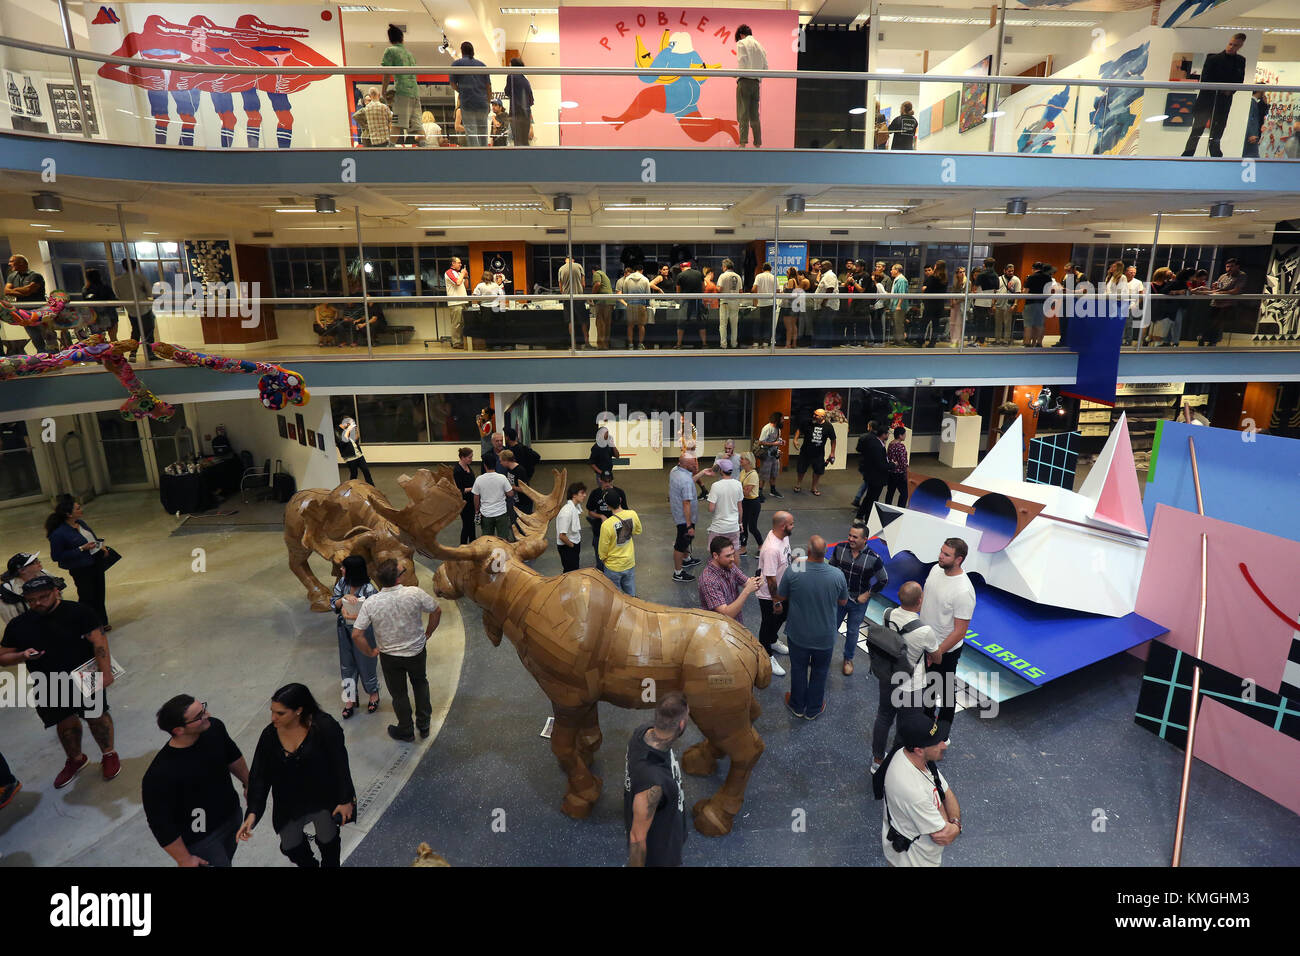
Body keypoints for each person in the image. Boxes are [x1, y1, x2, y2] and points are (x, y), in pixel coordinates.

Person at [0, 574, 119, 789]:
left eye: (43, 597)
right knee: (64, 724)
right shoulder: (19, 624)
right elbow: (3, 656)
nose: (38, 603)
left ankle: (108, 754)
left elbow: (99, 641)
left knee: (97, 716)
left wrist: (105, 672)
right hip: (48, 680)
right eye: (31, 600)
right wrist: (22, 656)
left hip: (85, 673)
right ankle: (76, 759)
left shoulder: (79, 612)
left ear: (56, 592)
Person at [238, 684, 356, 867]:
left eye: (280, 713)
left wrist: (346, 800)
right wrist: (253, 813)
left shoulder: (324, 727)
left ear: (299, 710)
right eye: (272, 711)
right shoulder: (269, 736)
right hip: (289, 802)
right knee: (291, 845)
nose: (273, 718)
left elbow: (340, 765)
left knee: (328, 840)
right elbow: (260, 776)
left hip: (321, 796)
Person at [143, 695, 250, 866]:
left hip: (231, 816)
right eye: (199, 716)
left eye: (204, 709)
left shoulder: (214, 728)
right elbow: (160, 823)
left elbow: (232, 755)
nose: (207, 715)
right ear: (179, 730)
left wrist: (248, 783)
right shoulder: (160, 774)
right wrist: (183, 858)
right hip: (202, 838)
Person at [351, 559, 441, 742]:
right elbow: (436, 610)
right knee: (420, 684)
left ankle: (406, 729)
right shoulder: (414, 593)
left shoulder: (371, 603)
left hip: (389, 656)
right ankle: (423, 724)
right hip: (416, 651)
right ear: (398, 579)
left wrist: (369, 652)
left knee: (399, 694)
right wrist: (428, 632)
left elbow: (356, 635)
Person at [870, 582, 940, 770]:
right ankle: (897, 762)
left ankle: (877, 761)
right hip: (912, 686)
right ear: (919, 601)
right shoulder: (925, 631)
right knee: (906, 724)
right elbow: (937, 657)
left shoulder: (887, 614)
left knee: (883, 717)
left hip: (888, 677)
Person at [777, 535, 848, 719]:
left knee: (798, 669)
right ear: (826, 552)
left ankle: (797, 705)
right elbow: (843, 601)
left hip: (798, 634)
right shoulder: (837, 575)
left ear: (808, 552)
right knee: (820, 671)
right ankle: (814, 708)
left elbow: (781, 596)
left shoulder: (794, 571)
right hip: (825, 637)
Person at [879, 709, 960, 867]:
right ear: (919, 750)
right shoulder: (912, 791)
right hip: (913, 861)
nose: (944, 744)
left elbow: (947, 792)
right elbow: (943, 834)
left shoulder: (915, 758)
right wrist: (955, 827)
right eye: (937, 742)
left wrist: (955, 822)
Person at [624, 691, 689, 867]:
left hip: (668, 821)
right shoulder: (653, 785)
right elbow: (637, 838)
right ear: (681, 724)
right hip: (659, 853)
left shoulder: (642, 732)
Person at [921, 538, 976, 725]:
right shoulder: (936, 569)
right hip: (926, 644)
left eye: (946, 554)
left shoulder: (963, 590)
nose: (940, 556)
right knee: (927, 688)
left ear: (959, 559)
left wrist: (937, 652)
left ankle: (942, 735)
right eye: (941, 551)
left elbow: (960, 631)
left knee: (945, 694)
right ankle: (926, 726)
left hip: (945, 652)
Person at [828, 521, 888, 676]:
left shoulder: (874, 558)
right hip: (839, 598)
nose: (850, 539)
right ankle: (824, 655)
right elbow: (831, 569)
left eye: (855, 537)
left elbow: (883, 579)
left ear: (865, 539)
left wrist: (867, 594)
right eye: (849, 535)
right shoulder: (840, 549)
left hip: (858, 602)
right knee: (831, 627)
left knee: (853, 631)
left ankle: (848, 659)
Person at [46, 495, 110, 630]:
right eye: (78, 508)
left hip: (95, 563)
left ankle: (101, 622)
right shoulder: (58, 534)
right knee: (87, 596)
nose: (81, 510)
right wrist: (81, 549)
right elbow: (57, 556)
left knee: (99, 593)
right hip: (81, 568)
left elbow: (92, 538)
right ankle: (86, 624)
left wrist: (100, 546)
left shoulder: (82, 524)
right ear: (69, 514)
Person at [330, 555, 380, 720]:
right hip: (343, 631)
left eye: (344, 568)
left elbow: (376, 612)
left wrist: (356, 614)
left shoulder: (369, 589)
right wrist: (344, 599)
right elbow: (333, 602)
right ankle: (350, 699)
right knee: (347, 665)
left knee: (366, 664)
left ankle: (373, 694)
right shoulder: (342, 583)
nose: (341, 570)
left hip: (363, 633)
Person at [1181, 33, 1247, 158]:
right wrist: (1221, 88)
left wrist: (1230, 90)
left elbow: (1239, 80)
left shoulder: (1240, 61)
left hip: (1224, 101)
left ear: (1240, 46)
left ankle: (1215, 155)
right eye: (1230, 44)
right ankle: (1188, 154)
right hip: (1207, 99)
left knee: (1218, 130)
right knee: (1197, 129)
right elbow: (1205, 78)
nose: (1231, 47)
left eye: (1235, 45)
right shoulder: (1213, 58)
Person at [756, 511, 793, 677]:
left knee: (783, 616)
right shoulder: (771, 549)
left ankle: (772, 639)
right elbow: (770, 579)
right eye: (791, 524)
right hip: (770, 594)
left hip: (783, 588)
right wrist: (776, 601)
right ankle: (766, 654)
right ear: (782, 526)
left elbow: (789, 558)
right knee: (768, 622)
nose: (793, 526)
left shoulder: (783, 536)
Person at [698, 535, 759, 623]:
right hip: (719, 629)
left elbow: (747, 582)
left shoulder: (729, 565)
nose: (733, 559)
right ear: (715, 555)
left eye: (733, 554)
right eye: (728, 556)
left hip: (735, 623)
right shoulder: (708, 581)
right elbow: (726, 614)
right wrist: (747, 591)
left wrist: (757, 582)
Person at [378, 25, 421, 145]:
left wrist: (384, 90)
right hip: (415, 93)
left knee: (396, 123)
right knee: (417, 124)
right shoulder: (409, 54)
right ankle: (426, 147)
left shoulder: (390, 51)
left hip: (402, 91)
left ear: (390, 39)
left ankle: (390, 150)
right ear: (402, 38)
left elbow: (386, 72)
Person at [5, 253, 52, 353]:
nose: (9, 264)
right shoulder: (12, 276)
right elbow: (7, 291)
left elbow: (28, 291)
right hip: (24, 312)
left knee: (48, 335)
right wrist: (23, 291)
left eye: (12, 261)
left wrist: (15, 290)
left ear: (21, 263)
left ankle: (55, 356)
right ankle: (42, 356)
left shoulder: (35, 276)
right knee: (35, 337)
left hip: (40, 311)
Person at [2, 551, 64, 625]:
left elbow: (59, 596)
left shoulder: (44, 573)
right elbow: (13, 622)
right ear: (22, 570)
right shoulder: (7, 592)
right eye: (34, 562)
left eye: (37, 560)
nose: (39, 562)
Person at [598, 490, 642, 595]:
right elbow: (638, 531)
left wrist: (603, 559)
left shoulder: (606, 525)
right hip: (629, 562)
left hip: (613, 566)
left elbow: (602, 549)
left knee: (614, 596)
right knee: (630, 593)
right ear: (620, 500)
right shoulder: (632, 514)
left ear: (608, 506)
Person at [451, 41, 491, 146]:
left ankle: (476, 154)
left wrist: (462, 90)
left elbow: (453, 84)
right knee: (483, 130)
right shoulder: (482, 65)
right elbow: (488, 87)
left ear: (462, 51)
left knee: (471, 130)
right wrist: (488, 102)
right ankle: (484, 153)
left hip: (467, 101)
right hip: (482, 102)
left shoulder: (456, 64)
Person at [668, 454, 701, 583]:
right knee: (681, 544)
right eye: (694, 464)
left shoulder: (675, 470)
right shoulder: (686, 481)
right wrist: (689, 526)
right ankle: (678, 573)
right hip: (684, 518)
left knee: (686, 541)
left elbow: (689, 480)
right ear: (686, 465)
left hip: (677, 513)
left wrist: (702, 473)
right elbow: (686, 503)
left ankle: (686, 559)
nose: (696, 466)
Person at [733, 23, 767, 148]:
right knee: (754, 115)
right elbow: (766, 67)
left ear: (741, 35)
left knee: (743, 113)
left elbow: (742, 62)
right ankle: (757, 143)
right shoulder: (761, 46)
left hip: (744, 81)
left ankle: (742, 143)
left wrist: (736, 74)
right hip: (756, 83)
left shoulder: (741, 43)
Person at [473, 450, 515, 541]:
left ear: (485, 465)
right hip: (501, 513)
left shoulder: (479, 479)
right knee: (503, 539)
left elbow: (476, 497)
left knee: (487, 540)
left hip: (486, 513)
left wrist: (477, 510)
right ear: (495, 464)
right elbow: (510, 493)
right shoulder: (502, 478)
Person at [792, 407, 836, 496]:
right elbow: (799, 429)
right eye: (814, 414)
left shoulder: (828, 426)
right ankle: (798, 484)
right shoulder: (808, 422)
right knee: (801, 469)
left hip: (818, 453)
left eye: (816, 415)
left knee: (818, 471)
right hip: (805, 451)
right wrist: (795, 440)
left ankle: (814, 487)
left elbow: (833, 439)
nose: (814, 416)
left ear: (822, 417)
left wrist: (832, 453)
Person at [705, 458, 743, 557]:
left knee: (716, 554)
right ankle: (734, 572)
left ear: (721, 471)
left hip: (719, 527)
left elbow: (711, 509)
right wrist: (740, 523)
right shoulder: (738, 484)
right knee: (735, 554)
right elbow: (740, 508)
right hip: (733, 526)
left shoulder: (716, 486)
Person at [1204, 258, 1246, 346]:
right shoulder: (1223, 276)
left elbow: (1236, 291)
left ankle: (1213, 342)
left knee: (1219, 323)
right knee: (1210, 322)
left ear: (1237, 266)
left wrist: (1221, 293)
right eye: (1227, 267)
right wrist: (1214, 287)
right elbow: (1216, 289)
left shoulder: (1241, 275)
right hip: (1215, 303)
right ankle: (1206, 339)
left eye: (1231, 266)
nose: (1229, 269)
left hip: (1227, 305)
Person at [853, 420, 890, 517]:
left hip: (868, 469)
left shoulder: (866, 438)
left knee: (868, 492)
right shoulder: (877, 446)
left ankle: (860, 512)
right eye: (888, 433)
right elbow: (880, 464)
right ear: (884, 434)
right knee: (871, 497)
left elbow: (859, 449)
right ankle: (867, 517)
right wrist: (892, 465)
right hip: (876, 476)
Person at [556, 481, 588, 572]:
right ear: (574, 495)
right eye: (582, 493)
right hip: (568, 546)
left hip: (573, 542)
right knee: (570, 572)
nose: (585, 495)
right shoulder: (566, 512)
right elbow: (562, 536)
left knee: (575, 569)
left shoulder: (574, 508)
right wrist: (572, 546)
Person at [619, 263, 652, 349]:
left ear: (634, 270)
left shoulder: (627, 279)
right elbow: (648, 294)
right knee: (641, 325)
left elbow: (625, 293)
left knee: (630, 325)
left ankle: (630, 344)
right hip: (641, 305)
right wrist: (647, 304)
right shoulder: (645, 279)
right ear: (642, 270)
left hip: (630, 305)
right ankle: (640, 344)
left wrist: (628, 301)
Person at [557, 256, 588, 348]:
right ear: (573, 260)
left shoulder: (561, 269)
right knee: (583, 321)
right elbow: (583, 284)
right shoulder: (578, 266)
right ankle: (586, 343)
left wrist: (564, 293)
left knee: (570, 321)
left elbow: (560, 286)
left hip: (567, 298)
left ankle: (573, 344)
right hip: (578, 297)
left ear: (565, 261)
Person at [80, 268, 119, 339]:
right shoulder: (106, 287)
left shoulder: (86, 290)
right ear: (99, 276)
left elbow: (86, 305)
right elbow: (113, 301)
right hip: (110, 316)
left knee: (98, 341)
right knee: (114, 339)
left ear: (87, 278)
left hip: (95, 318)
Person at [504, 57, 534, 146]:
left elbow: (507, 91)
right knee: (524, 141)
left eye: (509, 66)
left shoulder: (511, 76)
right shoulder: (526, 81)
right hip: (526, 114)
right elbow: (531, 100)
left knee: (517, 141)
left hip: (516, 113)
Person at [336, 417, 374, 484]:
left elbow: (355, 441)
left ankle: (372, 488)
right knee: (354, 474)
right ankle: (352, 488)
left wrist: (356, 432)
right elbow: (342, 443)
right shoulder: (339, 432)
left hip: (359, 455)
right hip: (350, 457)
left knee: (366, 471)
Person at [451, 447, 477, 544]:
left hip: (471, 500)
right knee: (467, 525)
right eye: (469, 457)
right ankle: (463, 545)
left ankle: (473, 543)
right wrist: (473, 488)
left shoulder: (467, 466)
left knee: (471, 524)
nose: (471, 459)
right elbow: (459, 490)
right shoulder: (457, 471)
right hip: (464, 502)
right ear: (462, 457)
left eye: (471, 457)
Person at [1022, 262, 1052, 348]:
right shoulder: (1048, 278)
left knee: (1028, 324)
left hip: (1031, 303)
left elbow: (1026, 292)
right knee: (1040, 324)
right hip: (1042, 303)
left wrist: (1023, 292)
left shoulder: (1031, 277)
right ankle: (1038, 343)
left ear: (1033, 268)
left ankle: (1027, 343)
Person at [737, 453, 763, 553]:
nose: (740, 460)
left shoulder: (753, 475)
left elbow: (746, 491)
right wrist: (740, 488)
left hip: (753, 503)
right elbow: (742, 489)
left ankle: (761, 545)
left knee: (752, 527)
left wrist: (738, 488)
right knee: (742, 526)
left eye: (742, 459)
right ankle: (743, 548)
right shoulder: (743, 471)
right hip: (744, 502)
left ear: (748, 461)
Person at [971, 258, 999, 347]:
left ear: (984, 265)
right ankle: (979, 340)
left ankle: (980, 341)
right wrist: (993, 303)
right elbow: (996, 289)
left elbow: (975, 288)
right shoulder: (995, 275)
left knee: (979, 322)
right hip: (989, 301)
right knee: (983, 322)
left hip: (979, 300)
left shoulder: (981, 274)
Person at [715, 258, 743, 348]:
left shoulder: (722, 276)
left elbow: (719, 289)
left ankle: (724, 345)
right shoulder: (738, 276)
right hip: (735, 302)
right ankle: (734, 344)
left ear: (725, 266)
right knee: (734, 325)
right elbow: (741, 291)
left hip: (725, 302)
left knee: (723, 324)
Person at [813, 258, 840, 348]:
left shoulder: (830, 275)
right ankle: (825, 344)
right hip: (825, 304)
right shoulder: (825, 275)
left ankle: (823, 344)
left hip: (828, 305)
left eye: (823, 265)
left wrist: (824, 301)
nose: (820, 266)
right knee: (824, 324)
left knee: (824, 325)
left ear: (829, 266)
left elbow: (830, 289)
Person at [919, 259, 947, 348]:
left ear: (936, 267)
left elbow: (928, 290)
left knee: (924, 323)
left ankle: (920, 341)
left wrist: (924, 289)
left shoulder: (933, 278)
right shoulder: (945, 279)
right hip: (939, 304)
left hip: (930, 304)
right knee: (936, 324)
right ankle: (932, 343)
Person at [757, 410, 784, 498]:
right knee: (764, 474)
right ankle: (759, 492)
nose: (783, 420)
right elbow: (760, 442)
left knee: (774, 473)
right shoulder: (767, 428)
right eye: (782, 419)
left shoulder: (778, 429)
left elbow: (777, 440)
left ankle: (773, 490)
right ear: (777, 419)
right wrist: (774, 444)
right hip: (766, 455)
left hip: (774, 454)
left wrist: (781, 442)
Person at [445, 256, 469, 349]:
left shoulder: (459, 273)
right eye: (458, 263)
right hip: (455, 302)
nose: (460, 264)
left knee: (463, 323)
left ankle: (462, 341)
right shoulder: (449, 272)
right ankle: (456, 343)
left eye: (460, 263)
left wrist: (466, 276)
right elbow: (458, 283)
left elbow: (466, 286)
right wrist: (462, 274)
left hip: (463, 301)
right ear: (453, 263)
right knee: (457, 323)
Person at [996, 262, 1022, 346]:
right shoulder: (999, 279)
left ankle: (1006, 340)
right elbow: (994, 291)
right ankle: (998, 340)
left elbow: (1018, 293)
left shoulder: (1016, 280)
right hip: (999, 303)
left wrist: (1015, 304)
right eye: (1009, 271)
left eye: (1012, 271)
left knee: (1007, 323)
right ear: (1004, 271)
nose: (1011, 272)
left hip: (1009, 304)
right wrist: (993, 304)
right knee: (998, 323)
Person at [589, 262, 614, 349]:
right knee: (607, 323)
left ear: (593, 271)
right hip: (610, 301)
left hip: (602, 302)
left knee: (600, 323)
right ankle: (606, 344)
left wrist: (592, 296)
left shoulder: (596, 273)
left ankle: (601, 345)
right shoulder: (604, 274)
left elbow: (597, 284)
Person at [884, 426, 910, 505]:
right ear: (900, 435)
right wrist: (906, 471)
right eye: (904, 434)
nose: (905, 436)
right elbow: (902, 461)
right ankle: (900, 508)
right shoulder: (900, 446)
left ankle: (887, 507)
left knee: (890, 492)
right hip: (899, 474)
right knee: (904, 493)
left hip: (891, 472)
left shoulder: (891, 444)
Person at [889, 262, 909, 346]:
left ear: (897, 270)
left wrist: (898, 305)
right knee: (895, 324)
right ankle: (896, 340)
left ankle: (900, 341)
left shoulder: (901, 280)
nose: (890, 271)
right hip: (894, 305)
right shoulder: (897, 279)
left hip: (899, 306)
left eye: (892, 269)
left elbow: (902, 294)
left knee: (899, 324)